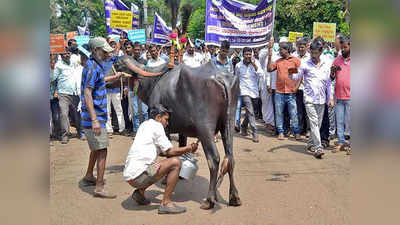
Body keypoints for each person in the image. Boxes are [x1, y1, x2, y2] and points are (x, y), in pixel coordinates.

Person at [123, 104, 199, 214]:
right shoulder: (157, 126)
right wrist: (189, 148)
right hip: (138, 177)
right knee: (175, 163)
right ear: (158, 117)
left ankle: (139, 193)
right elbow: (170, 152)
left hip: (130, 175)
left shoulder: (145, 124)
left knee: (157, 165)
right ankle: (166, 203)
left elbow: (163, 152)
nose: (167, 123)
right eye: (166, 119)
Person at [80, 37, 123, 198]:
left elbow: (99, 80)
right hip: (95, 115)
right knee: (102, 149)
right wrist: (94, 119)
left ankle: (89, 175)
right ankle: (99, 187)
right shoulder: (92, 67)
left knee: (96, 148)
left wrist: (114, 77)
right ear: (95, 51)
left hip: (98, 115)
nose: (106, 54)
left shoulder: (95, 66)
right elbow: (87, 92)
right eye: (103, 51)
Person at [289, 41, 334, 159]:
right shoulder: (305, 64)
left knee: (317, 124)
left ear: (321, 52)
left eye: (316, 53)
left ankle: (310, 143)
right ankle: (318, 148)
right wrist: (290, 70)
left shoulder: (326, 63)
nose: (314, 56)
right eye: (312, 53)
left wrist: (330, 97)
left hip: (321, 99)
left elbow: (329, 83)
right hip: (309, 98)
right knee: (314, 122)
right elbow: (296, 76)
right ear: (310, 52)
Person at [267, 39, 302, 140]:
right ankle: (281, 132)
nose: (279, 52)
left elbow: (301, 75)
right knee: (279, 113)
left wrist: (296, 87)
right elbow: (269, 69)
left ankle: (296, 132)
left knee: (294, 113)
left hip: (291, 92)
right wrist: (269, 57)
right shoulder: (278, 61)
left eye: (281, 50)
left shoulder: (296, 61)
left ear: (287, 50)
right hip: (279, 92)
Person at [53, 48, 83, 144]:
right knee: (64, 114)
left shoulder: (75, 62)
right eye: (64, 54)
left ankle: (81, 132)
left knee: (77, 114)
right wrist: (56, 91)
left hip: (75, 93)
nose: (66, 55)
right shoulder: (58, 65)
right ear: (61, 55)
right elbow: (53, 78)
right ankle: (65, 135)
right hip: (63, 94)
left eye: (68, 53)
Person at [235, 47, 263, 143]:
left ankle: (244, 126)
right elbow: (236, 78)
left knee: (251, 111)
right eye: (246, 54)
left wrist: (254, 64)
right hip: (244, 91)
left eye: (249, 54)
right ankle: (255, 132)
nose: (248, 56)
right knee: (250, 110)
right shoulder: (238, 65)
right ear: (243, 55)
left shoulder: (256, 63)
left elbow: (261, 75)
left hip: (254, 91)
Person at [331, 36, 351, 155]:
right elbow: (331, 78)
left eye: (345, 47)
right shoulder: (337, 60)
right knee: (339, 121)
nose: (343, 49)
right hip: (339, 96)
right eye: (341, 47)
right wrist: (332, 72)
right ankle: (341, 142)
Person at [127, 41, 150, 136]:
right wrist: (128, 88)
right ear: (133, 50)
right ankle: (136, 130)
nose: (137, 51)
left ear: (141, 50)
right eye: (135, 49)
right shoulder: (129, 61)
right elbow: (128, 76)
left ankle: (146, 131)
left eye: (138, 50)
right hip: (133, 88)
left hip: (143, 88)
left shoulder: (145, 62)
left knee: (144, 111)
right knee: (135, 111)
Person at [293, 38, 311, 138]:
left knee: (307, 109)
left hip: (307, 87)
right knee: (298, 110)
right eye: (299, 47)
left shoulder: (310, 57)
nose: (301, 49)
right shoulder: (294, 57)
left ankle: (308, 130)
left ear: (306, 47)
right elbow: (291, 71)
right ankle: (300, 129)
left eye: (302, 47)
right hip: (297, 88)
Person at [50, 54, 60, 142]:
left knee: (56, 116)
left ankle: (57, 133)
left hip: (54, 97)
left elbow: (58, 81)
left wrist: (57, 91)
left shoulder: (56, 68)